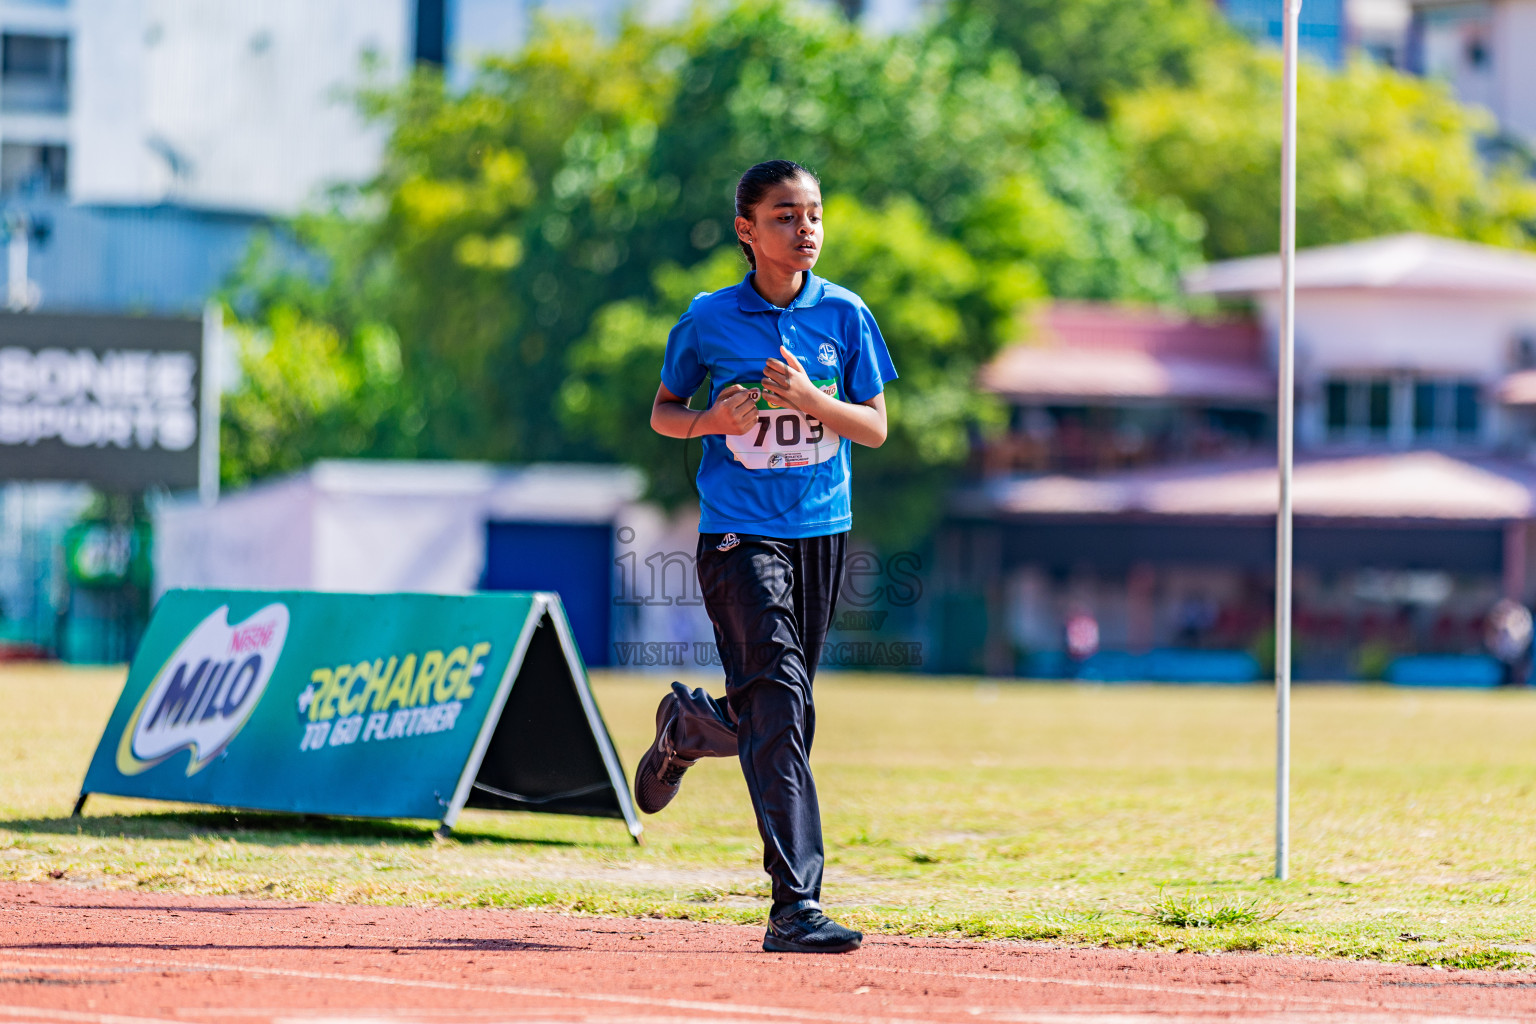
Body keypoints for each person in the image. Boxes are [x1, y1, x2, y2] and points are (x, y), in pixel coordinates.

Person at [635, 159, 897, 954]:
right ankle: (796, 907)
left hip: (822, 532)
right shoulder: (710, 318)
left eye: (813, 213)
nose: (805, 228)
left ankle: (692, 727)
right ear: (747, 230)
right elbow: (663, 415)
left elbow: (876, 426)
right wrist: (712, 419)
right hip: (738, 534)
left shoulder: (846, 314)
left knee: (779, 708)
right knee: (781, 701)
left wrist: (814, 403)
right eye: (785, 215)